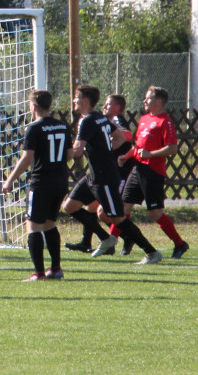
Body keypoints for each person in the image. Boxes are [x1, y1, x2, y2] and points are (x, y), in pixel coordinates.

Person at [69, 85, 162, 264]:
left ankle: (151, 252)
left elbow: (78, 150)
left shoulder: (87, 120)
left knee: (117, 217)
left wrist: (58, 155)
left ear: (85, 100)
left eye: (76, 97)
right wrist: (107, 151)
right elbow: (120, 137)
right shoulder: (100, 118)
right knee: (70, 206)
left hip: (104, 176)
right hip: (94, 175)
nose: (74, 100)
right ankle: (106, 238)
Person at [1, 90, 72, 281]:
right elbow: (70, 155)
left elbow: (27, 158)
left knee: (33, 227)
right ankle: (56, 268)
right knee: (49, 224)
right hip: (60, 181)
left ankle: (39, 273)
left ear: (33, 106)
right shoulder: (63, 126)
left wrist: (10, 180)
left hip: (41, 182)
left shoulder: (34, 127)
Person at [114, 86, 189, 258]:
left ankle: (180, 244)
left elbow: (172, 148)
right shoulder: (144, 119)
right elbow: (138, 147)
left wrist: (150, 154)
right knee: (122, 208)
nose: (144, 101)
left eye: (148, 98)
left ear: (159, 101)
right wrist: (127, 156)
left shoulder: (165, 122)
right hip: (137, 168)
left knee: (154, 213)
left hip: (153, 171)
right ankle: (111, 242)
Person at [65, 94, 133, 253]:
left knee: (105, 213)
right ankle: (87, 242)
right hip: (100, 171)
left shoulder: (116, 120)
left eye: (109, 104)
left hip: (117, 171)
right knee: (90, 207)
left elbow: (127, 136)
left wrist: (107, 144)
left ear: (117, 108)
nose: (105, 106)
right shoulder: (101, 119)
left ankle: (125, 237)